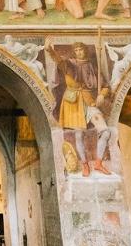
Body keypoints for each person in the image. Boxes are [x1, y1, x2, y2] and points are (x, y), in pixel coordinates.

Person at [45, 42, 112, 177]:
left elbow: (105, 86)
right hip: (73, 102)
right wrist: (50, 50)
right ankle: (85, 164)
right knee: (79, 135)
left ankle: (98, 163)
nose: (79, 52)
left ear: (85, 51)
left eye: (81, 49)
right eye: (76, 50)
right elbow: (58, 60)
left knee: (105, 132)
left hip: (89, 101)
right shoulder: (70, 64)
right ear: (74, 52)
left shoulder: (93, 66)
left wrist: (101, 95)